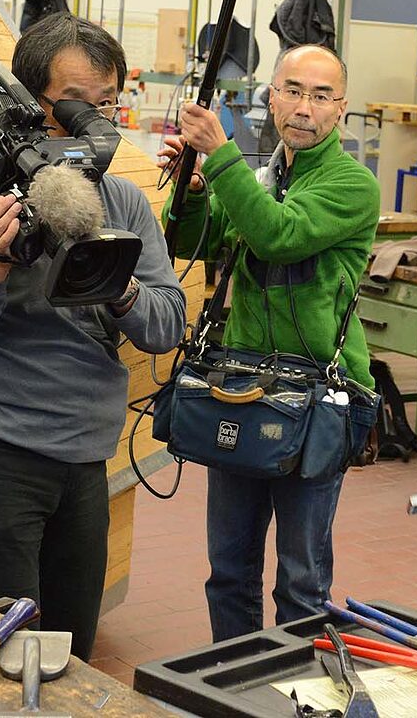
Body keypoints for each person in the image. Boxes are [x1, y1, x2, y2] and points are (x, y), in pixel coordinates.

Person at [0, 13, 187, 663]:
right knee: (1, 660)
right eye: (73, 105)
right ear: (27, 102)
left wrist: (117, 286)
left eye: (107, 105)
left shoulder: (122, 202)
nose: (96, 125)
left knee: (69, 655)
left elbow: (167, 324)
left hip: (86, 463)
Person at [159, 43, 380, 642]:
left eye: (321, 95)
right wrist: (196, 185)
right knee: (228, 570)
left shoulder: (353, 186)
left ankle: (296, 696)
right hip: (244, 387)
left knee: (301, 579)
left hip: (316, 397)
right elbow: (193, 242)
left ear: (341, 109)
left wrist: (222, 156)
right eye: (293, 91)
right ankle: (230, 689)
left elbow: (278, 236)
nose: (304, 107)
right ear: (272, 97)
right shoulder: (259, 178)